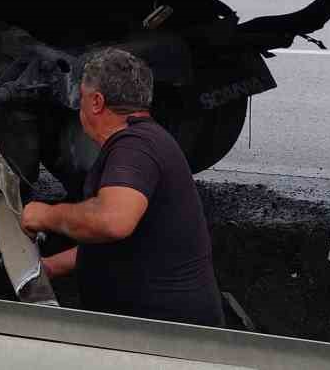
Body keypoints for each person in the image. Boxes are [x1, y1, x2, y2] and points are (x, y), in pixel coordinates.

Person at [20, 46, 224, 326]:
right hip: (158, 329)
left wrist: (45, 215)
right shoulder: (144, 140)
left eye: (81, 98)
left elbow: (112, 222)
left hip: (167, 338)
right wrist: (52, 266)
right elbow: (129, 243)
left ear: (96, 102)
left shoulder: (134, 148)